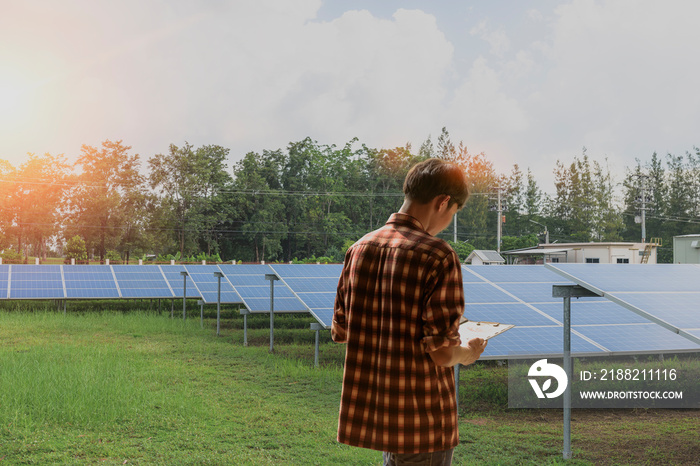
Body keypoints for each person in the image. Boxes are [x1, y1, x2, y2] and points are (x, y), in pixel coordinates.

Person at [332, 157, 488, 466]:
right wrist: (467, 352)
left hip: (382, 413)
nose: (448, 222)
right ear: (443, 202)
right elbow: (442, 355)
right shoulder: (438, 256)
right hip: (423, 420)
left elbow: (342, 331)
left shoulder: (359, 249)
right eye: (453, 213)